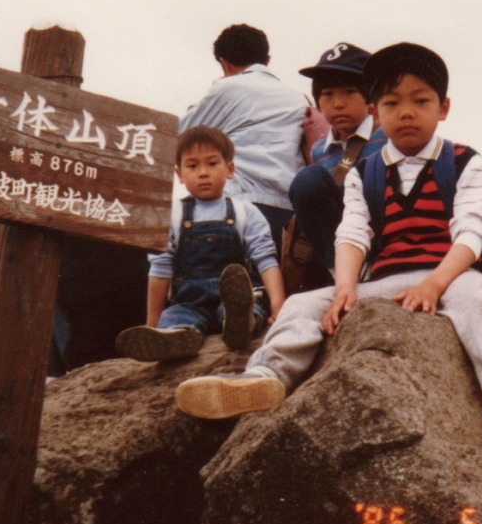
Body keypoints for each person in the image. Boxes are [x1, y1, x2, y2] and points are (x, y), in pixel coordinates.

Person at [174, 43, 482, 463]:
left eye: (420, 100)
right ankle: (264, 377)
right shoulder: (365, 170)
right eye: (392, 102)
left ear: (443, 107)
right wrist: (344, 288)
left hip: (453, 274)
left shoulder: (464, 161)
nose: (406, 112)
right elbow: (353, 233)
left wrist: (435, 283)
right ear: (376, 111)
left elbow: (471, 231)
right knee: (303, 305)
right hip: (386, 278)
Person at [114, 126, 286, 361]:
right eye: (193, 166)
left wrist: (278, 305)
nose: (203, 173)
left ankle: (240, 324)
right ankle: (175, 338)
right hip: (189, 302)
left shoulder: (245, 212)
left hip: (237, 298)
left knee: (249, 305)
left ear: (230, 169)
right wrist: (152, 324)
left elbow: (265, 259)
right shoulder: (171, 216)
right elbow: (160, 269)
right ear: (180, 174)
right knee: (175, 319)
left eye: (212, 164)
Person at [180, 24, 310, 247]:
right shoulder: (300, 98)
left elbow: (180, 137)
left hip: (238, 207)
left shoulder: (227, 88)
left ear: (224, 62)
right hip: (289, 215)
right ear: (267, 60)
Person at [286, 42, 388, 275]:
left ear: (370, 97)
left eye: (349, 92)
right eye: (327, 94)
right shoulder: (320, 150)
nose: (338, 103)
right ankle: (341, 273)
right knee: (307, 180)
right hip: (342, 245)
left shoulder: (388, 136)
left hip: (383, 235)